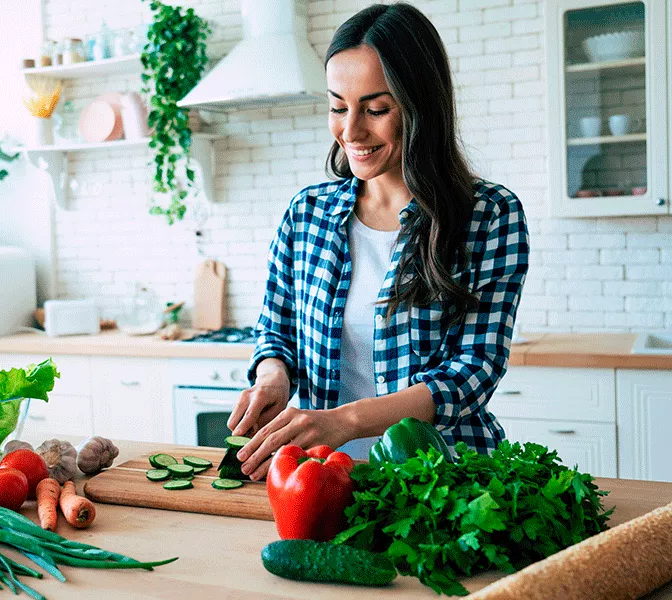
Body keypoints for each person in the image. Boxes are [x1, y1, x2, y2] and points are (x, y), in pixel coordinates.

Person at [227, 2, 530, 480]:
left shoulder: (488, 215)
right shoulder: (307, 214)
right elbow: (276, 332)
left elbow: (473, 371)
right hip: (322, 479)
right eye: (337, 107)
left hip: (445, 482)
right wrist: (273, 377)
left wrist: (344, 421)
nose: (351, 131)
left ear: (420, 105)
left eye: (376, 109)